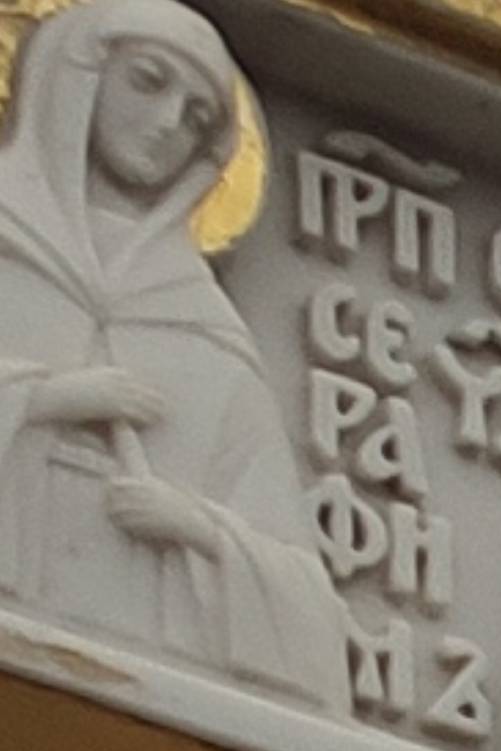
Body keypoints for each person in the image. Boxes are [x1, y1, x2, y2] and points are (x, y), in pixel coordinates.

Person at [0, 0, 348, 709]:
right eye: (148, 81)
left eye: (196, 119)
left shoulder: (203, 324)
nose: (168, 126)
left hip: (136, 666)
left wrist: (198, 527)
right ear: (78, 75)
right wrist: (41, 400)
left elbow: (308, 608)